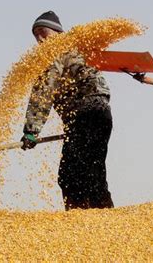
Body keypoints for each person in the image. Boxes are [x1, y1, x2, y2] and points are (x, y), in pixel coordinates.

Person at [21, 11, 114, 210]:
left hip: (86, 113)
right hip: (100, 115)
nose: (39, 39)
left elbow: (43, 90)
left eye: (42, 32)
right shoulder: (77, 51)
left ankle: (80, 224)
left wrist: (31, 130)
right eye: (35, 35)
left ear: (57, 33)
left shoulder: (56, 51)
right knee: (92, 172)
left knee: (71, 175)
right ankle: (106, 222)